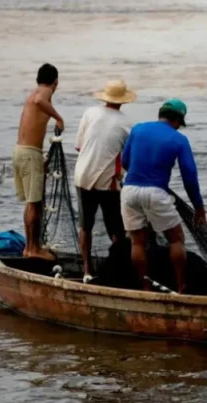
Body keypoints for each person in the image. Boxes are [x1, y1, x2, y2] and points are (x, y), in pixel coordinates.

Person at [120, 99, 207, 292]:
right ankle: (180, 286)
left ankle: (145, 287)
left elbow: (125, 161)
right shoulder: (179, 139)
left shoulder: (138, 129)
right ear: (177, 120)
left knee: (137, 242)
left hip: (129, 189)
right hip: (156, 192)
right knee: (176, 239)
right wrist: (198, 207)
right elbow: (189, 177)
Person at [74, 79, 136, 281]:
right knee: (116, 229)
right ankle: (118, 270)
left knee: (85, 226)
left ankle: (86, 270)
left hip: (82, 175)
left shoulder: (89, 113)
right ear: (123, 101)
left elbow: (80, 147)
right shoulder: (126, 124)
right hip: (107, 182)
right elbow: (127, 158)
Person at [12, 63, 64, 260]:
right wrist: (58, 118)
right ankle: (34, 249)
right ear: (55, 82)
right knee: (35, 203)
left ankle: (30, 247)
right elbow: (40, 100)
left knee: (31, 203)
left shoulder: (32, 93)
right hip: (28, 154)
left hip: (20, 151)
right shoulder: (43, 93)